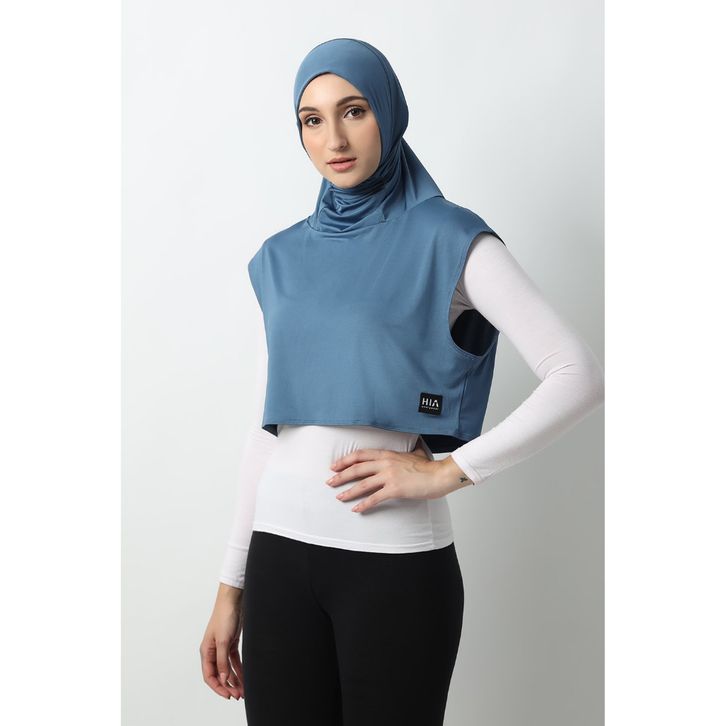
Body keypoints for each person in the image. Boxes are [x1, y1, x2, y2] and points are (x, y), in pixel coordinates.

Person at [200, 38, 604, 726]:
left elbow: (578, 374)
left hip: (391, 565)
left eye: (354, 110)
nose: (334, 138)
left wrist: (448, 471)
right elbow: (269, 429)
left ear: (388, 112)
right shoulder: (280, 257)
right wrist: (229, 588)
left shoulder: (449, 237)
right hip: (277, 563)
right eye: (312, 119)